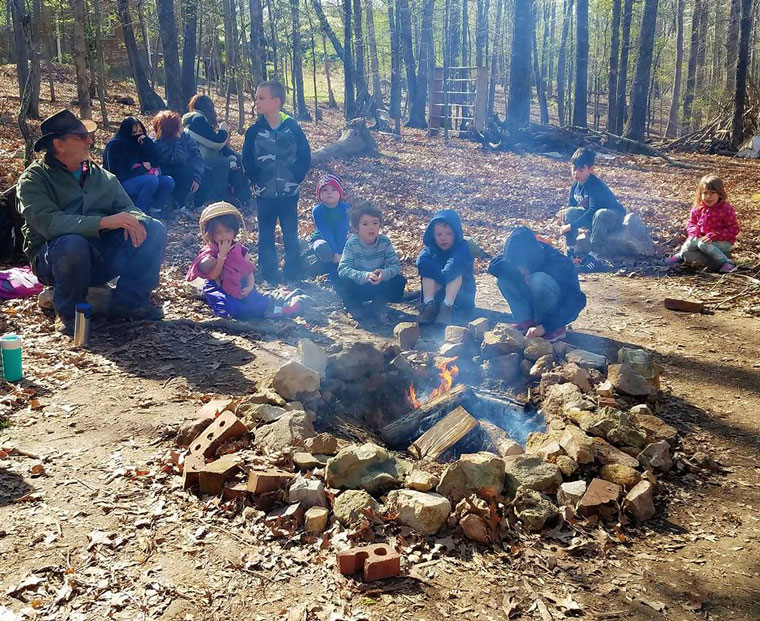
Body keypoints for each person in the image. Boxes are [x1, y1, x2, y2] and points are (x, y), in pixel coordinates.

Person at [16, 109, 166, 335]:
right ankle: (69, 314)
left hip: (100, 258)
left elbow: (129, 208)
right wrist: (103, 222)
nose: (90, 141)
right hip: (56, 261)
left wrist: (137, 221)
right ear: (59, 144)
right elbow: (48, 223)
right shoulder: (34, 179)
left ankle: (130, 304)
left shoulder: (102, 176)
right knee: (72, 243)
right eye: (81, 137)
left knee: (153, 228)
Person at [187, 202, 308, 319]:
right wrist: (222, 256)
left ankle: (281, 304)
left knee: (256, 304)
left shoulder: (240, 250)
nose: (223, 236)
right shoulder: (210, 252)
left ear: (234, 232)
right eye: (218, 233)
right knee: (232, 308)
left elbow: (248, 271)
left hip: (240, 283)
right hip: (218, 287)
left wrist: (250, 286)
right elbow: (214, 275)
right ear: (211, 235)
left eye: (227, 231)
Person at [242, 80, 311, 284]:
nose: (257, 102)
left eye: (261, 98)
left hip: (289, 192)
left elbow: (304, 155)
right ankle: (269, 272)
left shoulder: (292, 128)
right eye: (256, 98)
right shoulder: (254, 131)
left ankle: (292, 272)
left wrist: (296, 176)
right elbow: (247, 158)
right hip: (264, 193)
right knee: (266, 233)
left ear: (276, 101)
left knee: (290, 232)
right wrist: (255, 178)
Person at [488, 226, 586, 342]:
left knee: (538, 280)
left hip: (554, 314)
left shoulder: (557, 263)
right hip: (533, 307)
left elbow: (577, 301)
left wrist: (546, 326)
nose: (520, 268)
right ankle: (526, 322)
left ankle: (555, 330)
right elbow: (493, 266)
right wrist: (517, 269)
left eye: (522, 264)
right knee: (502, 279)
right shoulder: (515, 254)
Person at [560, 147, 626, 272]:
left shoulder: (595, 185)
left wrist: (571, 226)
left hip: (612, 217)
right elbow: (571, 206)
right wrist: (565, 221)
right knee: (569, 212)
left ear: (590, 169)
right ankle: (572, 251)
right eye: (574, 169)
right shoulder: (576, 185)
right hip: (595, 221)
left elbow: (592, 212)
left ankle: (594, 256)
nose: (576, 173)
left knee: (599, 214)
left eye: (581, 170)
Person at [336, 203, 406, 321]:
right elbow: (343, 269)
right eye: (365, 224)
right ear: (356, 228)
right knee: (342, 284)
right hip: (359, 284)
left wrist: (383, 274)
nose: (371, 227)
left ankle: (378, 304)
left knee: (399, 281)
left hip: (378, 283)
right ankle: (355, 308)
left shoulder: (384, 242)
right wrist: (365, 276)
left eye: (375, 223)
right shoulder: (352, 243)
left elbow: (395, 265)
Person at [182, 94, 251, 209]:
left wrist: (232, 155)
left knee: (237, 158)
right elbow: (216, 142)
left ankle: (241, 197)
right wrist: (224, 129)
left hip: (205, 159)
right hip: (198, 162)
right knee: (223, 163)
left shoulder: (198, 119)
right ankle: (216, 201)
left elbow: (214, 144)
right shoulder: (197, 119)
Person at [102, 117, 175, 217]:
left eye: (140, 131)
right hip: (121, 183)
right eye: (134, 132)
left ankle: (155, 209)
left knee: (168, 181)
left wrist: (148, 144)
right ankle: (139, 212)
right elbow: (117, 173)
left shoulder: (141, 142)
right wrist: (141, 169)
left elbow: (155, 162)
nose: (138, 135)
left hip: (142, 178)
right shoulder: (115, 146)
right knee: (152, 180)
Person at [665, 174, 738, 273]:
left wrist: (714, 235)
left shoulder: (726, 209)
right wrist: (694, 232)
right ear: (700, 194)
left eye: (713, 193)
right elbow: (691, 223)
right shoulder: (698, 208)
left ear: (720, 194)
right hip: (701, 239)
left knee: (702, 244)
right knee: (692, 240)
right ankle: (680, 255)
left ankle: (726, 262)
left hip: (722, 242)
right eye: (705, 193)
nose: (708, 197)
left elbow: (733, 229)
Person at [416, 209, 476, 325]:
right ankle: (429, 306)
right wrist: (439, 278)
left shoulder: (462, 248)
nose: (443, 238)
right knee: (427, 273)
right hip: (437, 295)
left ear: (456, 234)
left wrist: (441, 279)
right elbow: (421, 262)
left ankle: (447, 308)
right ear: (433, 235)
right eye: (439, 234)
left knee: (455, 275)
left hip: (461, 298)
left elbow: (454, 265)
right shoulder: (431, 248)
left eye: (448, 234)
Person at [152, 111, 205, 209]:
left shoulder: (185, 136)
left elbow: (196, 156)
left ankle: (191, 203)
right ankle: (173, 204)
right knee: (180, 172)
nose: (181, 129)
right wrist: (177, 141)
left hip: (187, 173)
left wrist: (197, 176)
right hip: (167, 174)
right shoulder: (156, 142)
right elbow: (177, 159)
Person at [310, 174, 350, 277]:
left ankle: (347, 268)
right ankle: (329, 271)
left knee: (355, 243)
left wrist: (340, 251)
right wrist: (335, 252)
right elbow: (325, 232)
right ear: (319, 194)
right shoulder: (318, 210)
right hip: (322, 239)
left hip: (341, 240)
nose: (329, 192)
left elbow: (343, 230)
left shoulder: (345, 208)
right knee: (321, 246)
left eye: (333, 189)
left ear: (339, 193)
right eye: (324, 190)